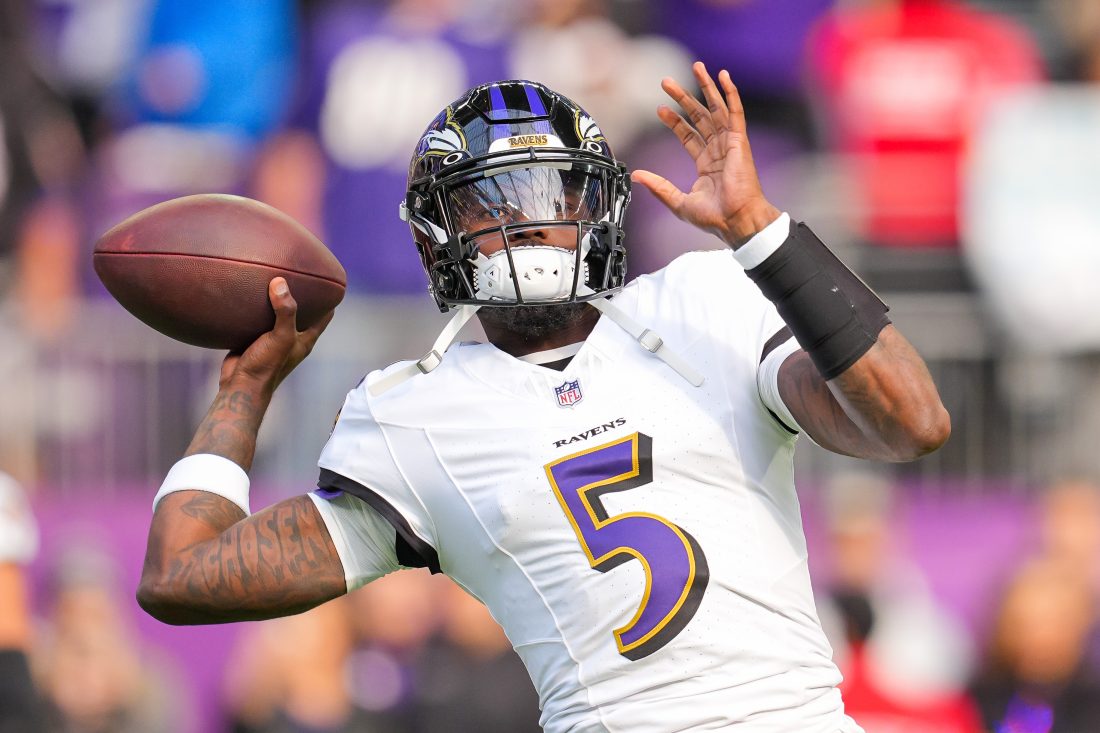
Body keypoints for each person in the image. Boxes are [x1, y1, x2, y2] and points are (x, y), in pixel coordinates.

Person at [136, 63, 950, 731]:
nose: (526, 225)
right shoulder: (415, 414)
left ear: (596, 207)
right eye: (489, 206)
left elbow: (913, 422)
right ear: (437, 236)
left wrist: (761, 231)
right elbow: (179, 578)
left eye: (551, 198)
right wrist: (246, 387)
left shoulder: (704, 301)